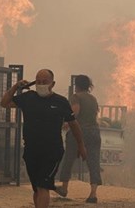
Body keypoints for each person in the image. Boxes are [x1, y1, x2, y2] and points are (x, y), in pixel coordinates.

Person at [0, 69, 87, 208]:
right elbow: (4, 103)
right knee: (37, 188)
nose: (41, 85)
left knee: (43, 186)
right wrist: (16, 86)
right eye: (38, 82)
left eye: (44, 82)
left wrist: (81, 145)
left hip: (52, 151)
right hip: (31, 150)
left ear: (52, 84)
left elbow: (73, 124)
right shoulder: (28, 98)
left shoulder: (60, 101)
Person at [55, 75, 102, 203]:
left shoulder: (76, 97)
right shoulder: (93, 98)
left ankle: (64, 188)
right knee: (93, 162)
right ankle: (93, 194)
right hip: (94, 132)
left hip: (79, 132)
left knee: (68, 159)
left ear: (77, 85)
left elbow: (75, 111)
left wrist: (67, 123)